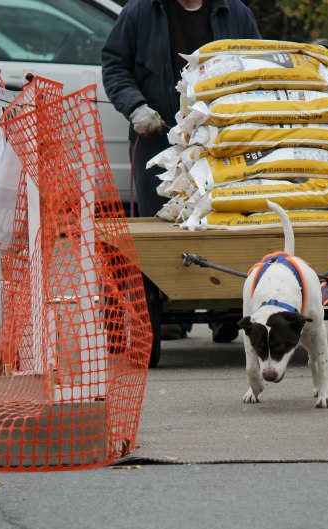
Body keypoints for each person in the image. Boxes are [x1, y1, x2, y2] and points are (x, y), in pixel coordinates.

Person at [101, 0, 259, 342]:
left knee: (225, 215)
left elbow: (255, 65)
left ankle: (227, 306)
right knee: (164, 221)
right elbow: (115, 64)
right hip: (157, 137)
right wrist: (135, 106)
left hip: (223, 140)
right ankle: (168, 307)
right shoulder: (141, 12)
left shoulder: (235, 13)